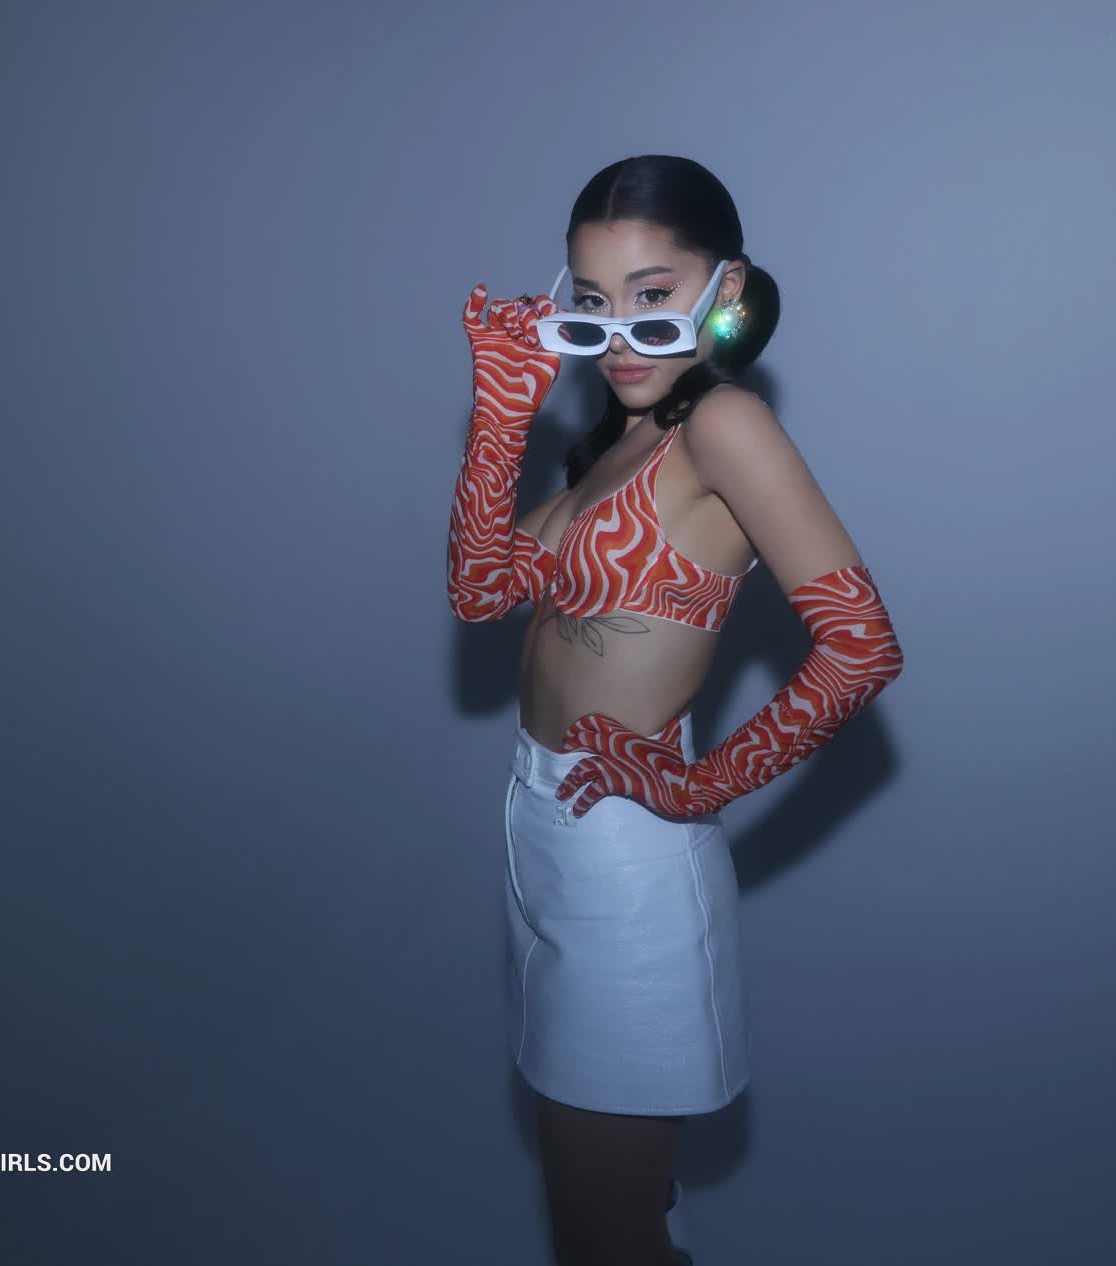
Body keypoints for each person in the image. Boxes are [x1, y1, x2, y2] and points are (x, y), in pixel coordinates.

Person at [446, 155, 905, 1266]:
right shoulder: (623, 440)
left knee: (600, 1230)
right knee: (622, 1215)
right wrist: (500, 415)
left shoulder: (724, 425)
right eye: (592, 303)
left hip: (622, 859)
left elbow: (862, 645)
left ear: (725, 288)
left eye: (652, 297)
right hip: (541, 829)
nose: (619, 335)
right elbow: (482, 592)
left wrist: (701, 785)